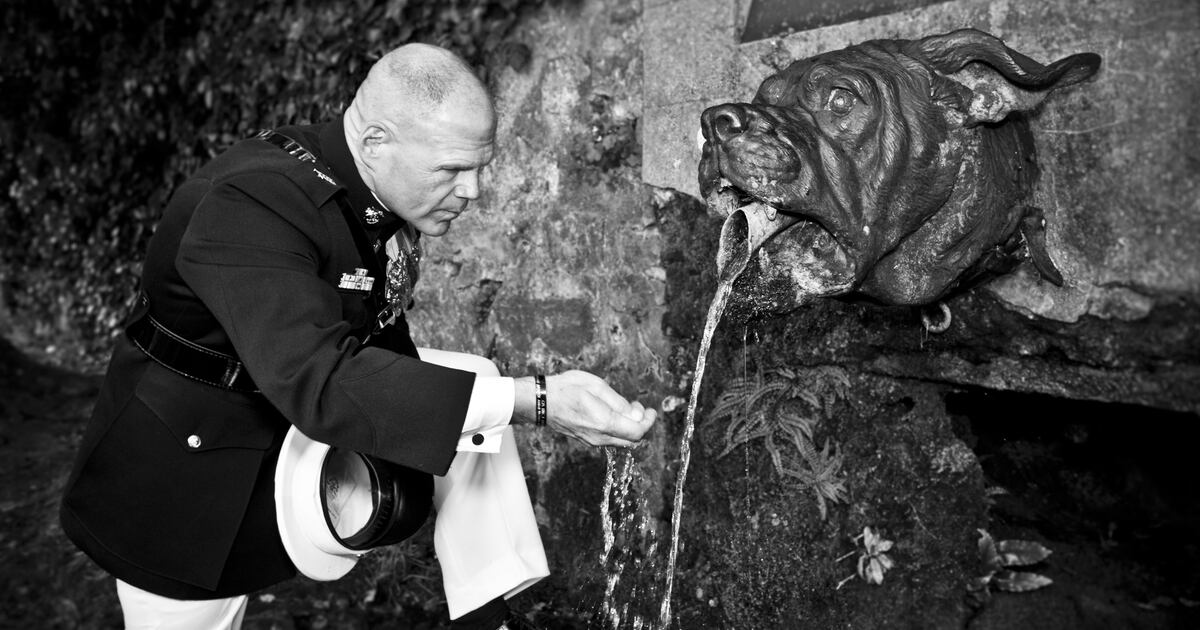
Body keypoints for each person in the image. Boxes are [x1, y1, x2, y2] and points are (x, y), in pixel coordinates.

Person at [60, 42, 657, 630]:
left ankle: (487, 611)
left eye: (482, 167)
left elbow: (377, 328)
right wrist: (538, 401)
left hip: (288, 410)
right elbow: (321, 379)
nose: (474, 191)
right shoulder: (251, 203)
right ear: (376, 142)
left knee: (477, 385)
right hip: (187, 457)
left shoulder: (374, 190)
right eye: (452, 169)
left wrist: (484, 404)